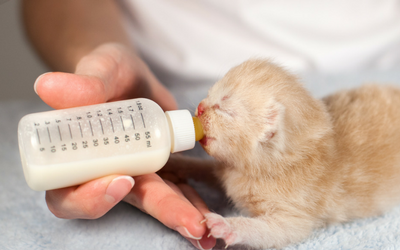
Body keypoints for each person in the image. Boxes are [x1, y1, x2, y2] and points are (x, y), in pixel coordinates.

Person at [21, 1, 400, 249]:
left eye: (224, 109)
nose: (202, 108)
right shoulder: (254, 155)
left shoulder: (297, 183)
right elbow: (228, 173)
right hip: (151, 66)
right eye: (215, 94)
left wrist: (239, 229)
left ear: (269, 132)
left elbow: (289, 227)